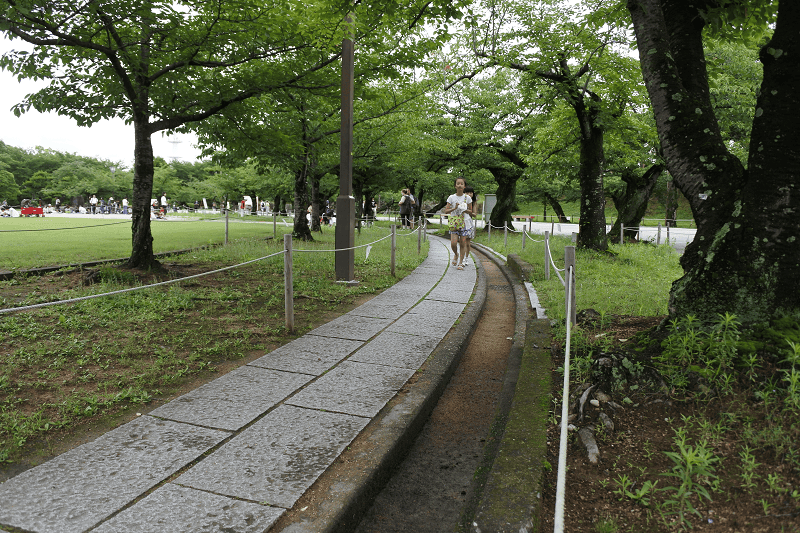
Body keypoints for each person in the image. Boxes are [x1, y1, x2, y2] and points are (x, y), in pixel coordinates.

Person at [444, 177, 472, 270]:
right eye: (458, 183)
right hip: (454, 223)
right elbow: (446, 211)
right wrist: (455, 208)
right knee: (453, 243)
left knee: (463, 243)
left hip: (464, 223)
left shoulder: (467, 198)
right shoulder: (451, 197)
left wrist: (464, 209)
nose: (460, 185)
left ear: (464, 186)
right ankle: (456, 254)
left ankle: (460, 263)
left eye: (462, 184)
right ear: (455, 186)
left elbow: (471, 211)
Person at [463, 186, 477, 259]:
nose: (469, 194)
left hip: (469, 224)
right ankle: (461, 258)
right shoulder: (461, 201)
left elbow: (474, 214)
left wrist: (466, 210)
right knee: (462, 242)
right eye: (467, 192)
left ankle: (466, 258)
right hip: (461, 223)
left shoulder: (473, 202)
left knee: (468, 243)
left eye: (470, 193)